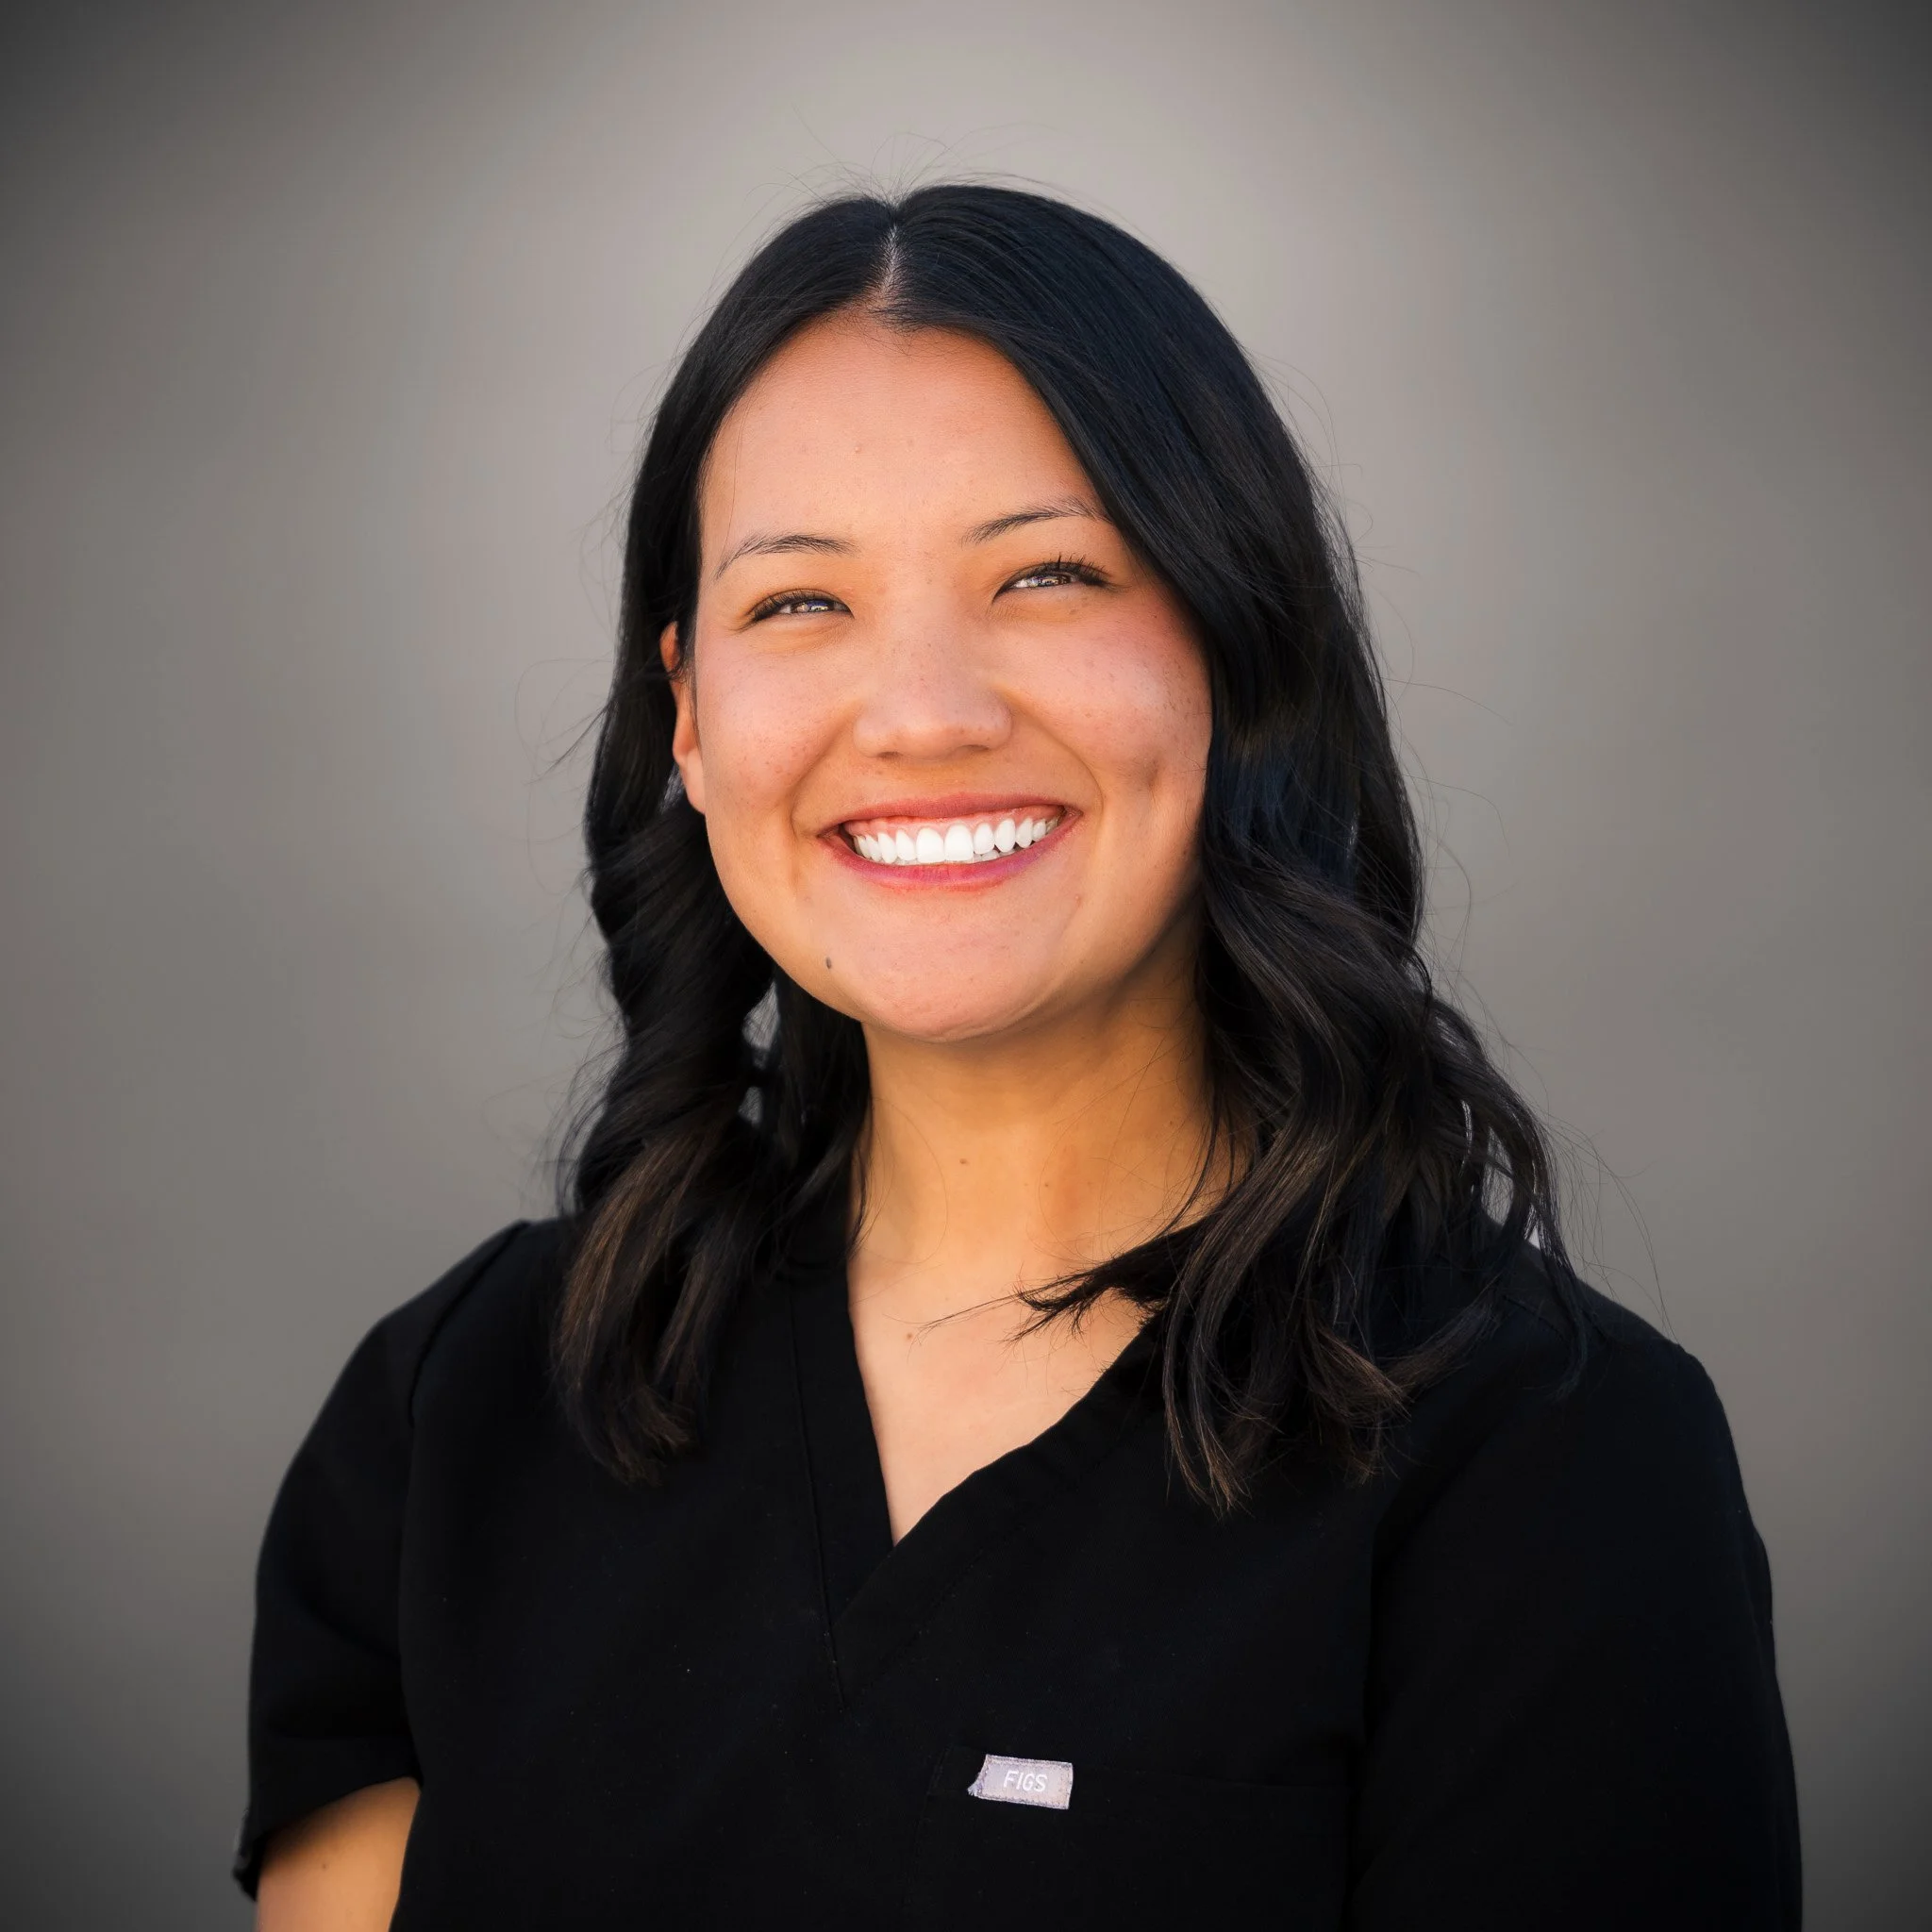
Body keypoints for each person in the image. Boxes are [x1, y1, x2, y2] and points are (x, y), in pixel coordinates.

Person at [239, 185, 1799, 1929]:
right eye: (798, 606)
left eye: (1047, 575)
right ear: (688, 714)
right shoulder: (460, 1411)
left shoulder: (1554, 1463)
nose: (922, 711)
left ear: (1236, 645)